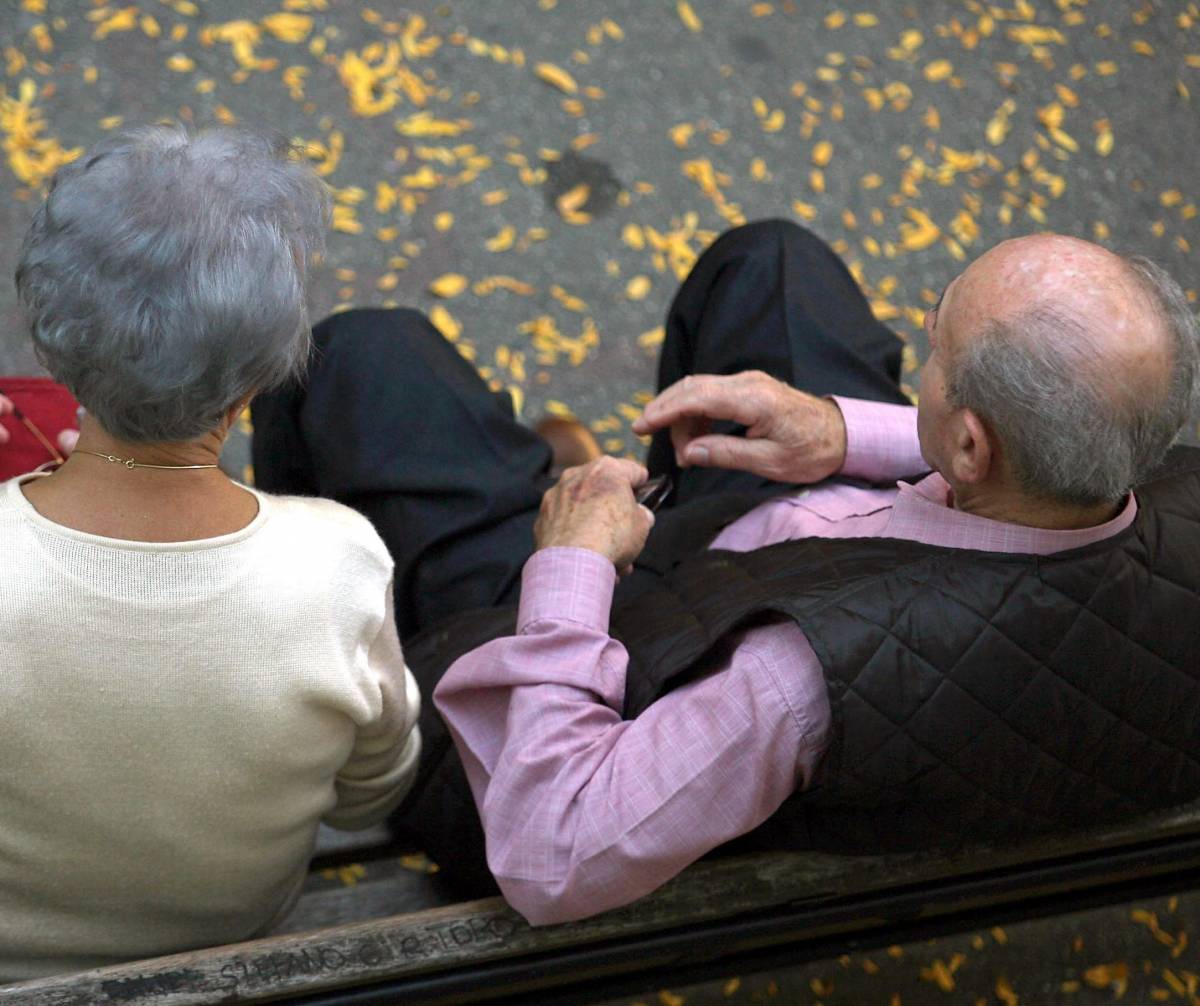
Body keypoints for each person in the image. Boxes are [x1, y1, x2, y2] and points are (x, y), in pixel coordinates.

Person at [255, 219, 1200, 927]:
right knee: (773, 263)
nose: (927, 334)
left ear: (968, 443)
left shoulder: (792, 685)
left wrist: (574, 562)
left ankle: (329, 592)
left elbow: (552, 853)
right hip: (787, 556)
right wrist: (845, 432)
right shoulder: (1120, 468)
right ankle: (609, 474)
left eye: (938, 346)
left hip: (598, 681)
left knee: (362, 356)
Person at [0, 125, 421, 982]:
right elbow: (376, 787)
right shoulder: (338, 567)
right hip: (240, 931)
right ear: (258, 380)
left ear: (54, 350)